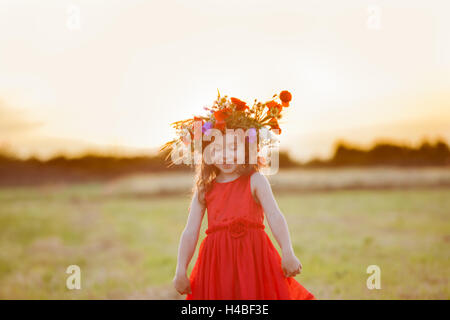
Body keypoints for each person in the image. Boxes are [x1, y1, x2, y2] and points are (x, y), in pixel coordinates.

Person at [163, 90, 315, 299]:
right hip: (217, 264)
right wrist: (181, 269)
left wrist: (287, 252)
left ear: (247, 149)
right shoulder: (205, 188)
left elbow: (275, 216)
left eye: (233, 147)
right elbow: (190, 231)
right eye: (216, 149)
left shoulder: (255, 180)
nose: (225, 155)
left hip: (255, 259)